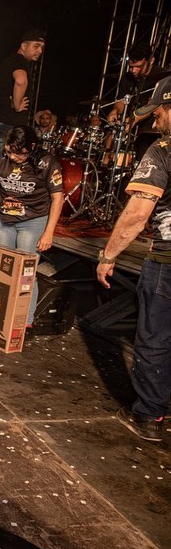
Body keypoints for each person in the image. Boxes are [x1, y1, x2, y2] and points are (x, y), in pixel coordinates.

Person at [97, 76, 171, 443]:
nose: (154, 120)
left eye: (158, 112)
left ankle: (149, 415)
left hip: (168, 263)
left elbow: (136, 215)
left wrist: (107, 255)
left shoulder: (163, 150)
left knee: (155, 339)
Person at [0, 125, 63, 330]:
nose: (13, 157)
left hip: (32, 221)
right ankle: (2, 315)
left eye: (18, 153)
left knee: (26, 273)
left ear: (31, 147)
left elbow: (57, 197)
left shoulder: (46, 162)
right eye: (9, 152)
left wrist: (48, 233)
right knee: (2, 270)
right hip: (5, 220)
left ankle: (24, 322)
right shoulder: (2, 157)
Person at [0, 29, 45, 212]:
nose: (39, 51)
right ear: (23, 46)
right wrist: (17, 106)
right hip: (10, 125)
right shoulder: (20, 62)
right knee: (7, 167)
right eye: (36, 46)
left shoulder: (6, 62)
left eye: (42, 48)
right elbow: (20, 81)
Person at [106, 42, 168, 160]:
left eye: (138, 67)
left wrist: (132, 120)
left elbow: (153, 105)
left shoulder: (162, 78)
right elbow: (122, 100)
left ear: (151, 61)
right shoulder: (127, 78)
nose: (133, 70)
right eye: (131, 66)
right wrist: (115, 110)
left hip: (151, 130)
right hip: (130, 127)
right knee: (110, 141)